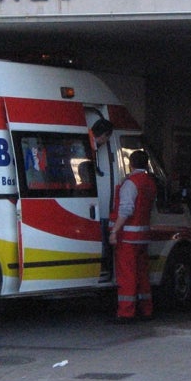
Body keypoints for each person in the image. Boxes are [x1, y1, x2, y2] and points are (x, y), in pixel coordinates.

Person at [109, 149, 155, 323]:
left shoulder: (131, 183)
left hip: (127, 237)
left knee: (127, 275)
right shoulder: (149, 183)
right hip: (142, 236)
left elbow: (126, 210)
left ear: (131, 163)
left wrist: (114, 231)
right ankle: (146, 309)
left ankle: (126, 313)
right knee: (142, 275)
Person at [90, 118, 116, 280]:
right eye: (107, 138)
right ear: (104, 135)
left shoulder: (90, 143)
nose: (106, 141)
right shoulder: (89, 145)